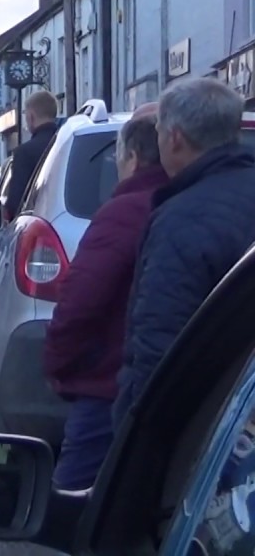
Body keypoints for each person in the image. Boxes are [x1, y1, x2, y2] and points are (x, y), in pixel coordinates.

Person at [114, 78, 255, 427]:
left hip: (209, 423)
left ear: (174, 138)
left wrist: (141, 432)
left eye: (159, 131)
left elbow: (160, 341)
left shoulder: (182, 220)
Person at [43, 114, 167, 490]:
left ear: (132, 157)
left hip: (110, 387)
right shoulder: (199, 201)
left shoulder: (125, 211)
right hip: (200, 386)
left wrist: (58, 365)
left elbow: (80, 302)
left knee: (75, 502)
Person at [4, 91, 59, 220]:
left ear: (31, 117)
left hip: (38, 221)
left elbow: (15, 203)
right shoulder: (70, 143)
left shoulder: (24, 152)